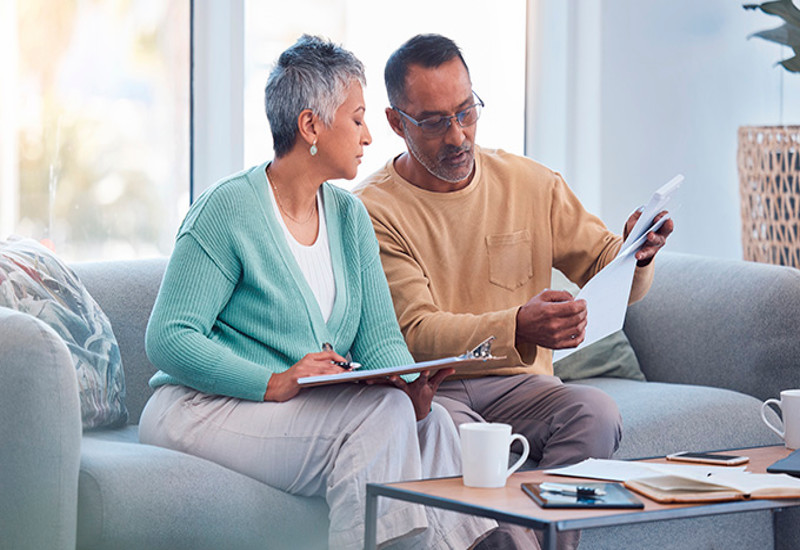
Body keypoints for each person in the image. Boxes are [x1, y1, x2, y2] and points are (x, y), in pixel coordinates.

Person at [138, 35, 498, 550]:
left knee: (433, 423)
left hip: (286, 411)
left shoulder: (350, 217)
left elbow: (380, 343)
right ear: (311, 125)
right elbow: (169, 338)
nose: (370, 136)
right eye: (357, 119)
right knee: (384, 418)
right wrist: (275, 381)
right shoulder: (227, 209)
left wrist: (411, 385)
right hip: (202, 407)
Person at [354, 32, 673, 489]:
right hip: (432, 388)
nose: (458, 135)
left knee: (596, 413)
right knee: (451, 442)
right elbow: (417, 334)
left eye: (466, 111)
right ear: (395, 121)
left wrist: (635, 253)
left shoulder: (531, 183)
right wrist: (518, 326)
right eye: (434, 122)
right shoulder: (370, 209)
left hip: (523, 386)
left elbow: (610, 271)